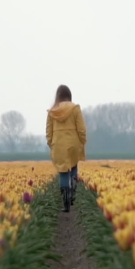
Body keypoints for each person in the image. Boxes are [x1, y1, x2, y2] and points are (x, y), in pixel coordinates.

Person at [46, 85, 87, 213]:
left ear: (57, 96)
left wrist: (51, 143)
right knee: (73, 165)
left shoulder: (52, 112)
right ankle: (73, 189)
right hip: (73, 143)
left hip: (58, 144)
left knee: (63, 171)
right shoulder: (75, 109)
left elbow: (48, 131)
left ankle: (65, 201)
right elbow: (81, 128)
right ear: (69, 95)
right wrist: (82, 140)